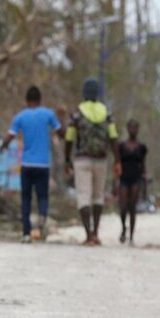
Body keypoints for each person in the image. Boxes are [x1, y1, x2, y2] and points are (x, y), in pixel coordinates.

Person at [0, 85, 64, 243]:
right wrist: (62, 119)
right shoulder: (48, 114)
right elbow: (61, 133)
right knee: (42, 196)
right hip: (43, 164)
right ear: (40, 99)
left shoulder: (20, 116)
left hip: (27, 164)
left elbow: (9, 137)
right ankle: (41, 216)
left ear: (26, 100)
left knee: (26, 198)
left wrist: (3, 147)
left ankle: (26, 233)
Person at [64, 78, 121, 246]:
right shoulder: (106, 113)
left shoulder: (77, 113)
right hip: (101, 160)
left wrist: (67, 160)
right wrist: (117, 160)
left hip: (82, 160)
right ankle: (96, 232)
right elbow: (113, 138)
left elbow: (69, 138)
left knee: (83, 196)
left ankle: (88, 235)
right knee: (98, 196)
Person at [117, 119, 147, 245]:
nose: (133, 130)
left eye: (135, 127)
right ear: (127, 129)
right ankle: (123, 228)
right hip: (124, 178)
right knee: (123, 207)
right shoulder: (121, 147)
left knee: (132, 207)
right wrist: (114, 180)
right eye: (131, 127)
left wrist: (144, 183)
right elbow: (117, 163)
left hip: (136, 178)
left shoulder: (142, 147)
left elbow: (143, 164)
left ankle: (132, 236)